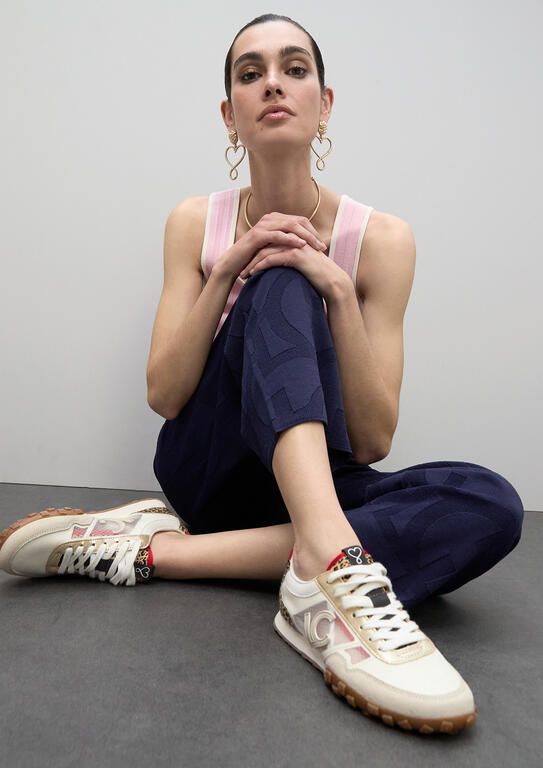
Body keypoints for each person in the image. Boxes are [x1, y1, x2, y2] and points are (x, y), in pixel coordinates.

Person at [0, 14, 524, 736]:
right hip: (211, 470)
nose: (273, 84)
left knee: (490, 502)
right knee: (279, 276)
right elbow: (164, 396)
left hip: (314, 486)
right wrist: (233, 269)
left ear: (324, 103)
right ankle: (331, 564)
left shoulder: (383, 240)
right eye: (251, 74)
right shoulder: (194, 222)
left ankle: (168, 552)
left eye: (294, 69)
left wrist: (338, 291)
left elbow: (372, 441)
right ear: (230, 115)